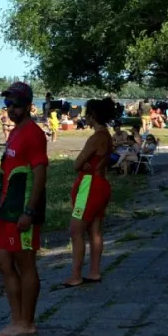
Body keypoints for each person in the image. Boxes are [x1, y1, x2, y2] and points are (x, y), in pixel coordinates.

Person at [0, 82, 47, 336]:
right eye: (8, 105)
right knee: (3, 262)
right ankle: (16, 319)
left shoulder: (33, 134)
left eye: (15, 105)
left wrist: (30, 210)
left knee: (25, 263)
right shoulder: (15, 132)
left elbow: (40, 174)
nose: (11, 110)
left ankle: (27, 322)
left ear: (28, 106)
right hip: (5, 207)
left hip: (21, 210)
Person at [64, 98, 115, 287]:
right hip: (101, 183)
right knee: (95, 230)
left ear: (92, 116)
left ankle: (76, 275)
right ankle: (94, 271)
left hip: (89, 184)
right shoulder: (107, 136)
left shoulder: (95, 138)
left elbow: (77, 164)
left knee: (76, 230)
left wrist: (83, 164)